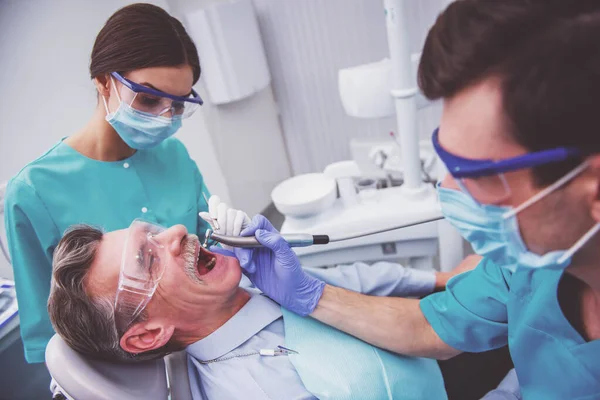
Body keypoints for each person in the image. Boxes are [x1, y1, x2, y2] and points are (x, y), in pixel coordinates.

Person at [218, 1, 600, 399]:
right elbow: (431, 326)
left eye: (481, 175)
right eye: (447, 162)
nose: (448, 189)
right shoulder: (532, 264)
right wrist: (309, 294)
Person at [47, 219, 474, 400]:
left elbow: (344, 279)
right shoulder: (258, 387)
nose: (177, 232)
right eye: (149, 259)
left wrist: (441, 278)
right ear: (147, 335)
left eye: (154, 235)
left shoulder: (249, 282)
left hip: (436, 339)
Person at [4, 3, 212, 364]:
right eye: (148, 98)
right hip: (123, 369)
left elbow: (212, 247)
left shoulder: (174, 155)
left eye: (178, 105)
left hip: (208, 340)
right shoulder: (33, 192)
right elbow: (47, 339)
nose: (165, 117)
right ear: (102, 80)